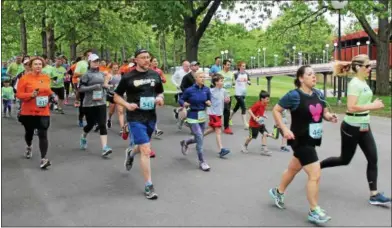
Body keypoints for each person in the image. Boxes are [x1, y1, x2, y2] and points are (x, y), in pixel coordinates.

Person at [268, 65, 338, 224]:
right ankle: (314, 210)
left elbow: (324, 112)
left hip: (312, 138)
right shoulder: (294, 95)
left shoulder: (319, 94)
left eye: (314, 74)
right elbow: (276, 110)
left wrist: (329, 116)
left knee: (293, 169)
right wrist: (284, 128)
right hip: (298, 139)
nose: (314, 76)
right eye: (310, 74)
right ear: (301, 78)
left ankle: (278, 192)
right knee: (315, 174)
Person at [320, 55, 391, 206]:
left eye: (370, 66)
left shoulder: (363, 82)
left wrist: (372, 103)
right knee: (344, 160)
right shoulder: (354, 83)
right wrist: (373, 106)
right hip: (351, 127)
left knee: (373, 159)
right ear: (358, 67)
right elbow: (351, 107)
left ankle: (374, 195)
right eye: (367, 66)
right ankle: (317, 167)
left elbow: (361, 102)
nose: (370, 69)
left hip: (364, 125)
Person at [114, 49, 164, 200]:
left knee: (143, 145)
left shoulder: (155, 75)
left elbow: (160, 92)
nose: (146, 60)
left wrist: (160, 99)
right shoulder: (128, 77)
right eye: (143, 58)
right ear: (136, 60)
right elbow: (115, 96)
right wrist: (127, 105)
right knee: (146, 149)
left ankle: (130, 153)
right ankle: (149, 185)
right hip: (135, 117)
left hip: (150, 116)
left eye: (148, 57)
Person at [16, 56, 56, 169]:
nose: (38, 66)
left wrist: (53, 95)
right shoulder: (24, 78)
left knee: (43, 134)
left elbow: (47, 90)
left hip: (43, 111)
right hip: (28, 111)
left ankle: (43, 159)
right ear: (30, 66)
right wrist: (30, 95)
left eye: (40, 64)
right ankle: (29, 146)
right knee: (29, 133)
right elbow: (19, 95)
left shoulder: (46, 77)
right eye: (35, 64)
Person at [79, 54, 113, 157]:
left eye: (97, 61)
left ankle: (104, 148)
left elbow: (105, 85)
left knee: (102, 124)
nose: (96, 63)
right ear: (89, 62)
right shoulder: (86, 75)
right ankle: (84, 136)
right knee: (90, 124)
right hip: (89, 104)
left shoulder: (102, 74)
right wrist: (95, 86)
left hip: (101, 102)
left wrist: (107, 87)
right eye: (94, 61)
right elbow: (80, 89)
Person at [179, 72, 212, 171]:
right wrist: (183, 103)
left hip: (202, 116)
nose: (203, 79)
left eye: (204, 77)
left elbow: (209, 101)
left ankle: (186, 142)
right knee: (199, 136)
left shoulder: (206, 89)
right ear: (196, 78)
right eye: (200, 77)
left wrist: (209, 103)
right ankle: (202, 161)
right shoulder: (190, 90)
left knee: (200, 137)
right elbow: (180, 99)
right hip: (192, 116)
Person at [203, 74, 230, 157]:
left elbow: (226, 99)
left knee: (212, 129)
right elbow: (205, 99)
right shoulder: (210, 91)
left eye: (223, 80)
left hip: (219, 113)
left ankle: (197, 138)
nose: (222, 82)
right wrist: (206, 102)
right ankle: (221, 149)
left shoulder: (224, 91)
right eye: (221, 81)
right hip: (213, 113)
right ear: (216, 82)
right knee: (218, 131)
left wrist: (227, 100)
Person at [240, 90, 272, 155]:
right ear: (262, 99)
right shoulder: (258, 104)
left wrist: (263, 115)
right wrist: (254, 117)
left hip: (260, 123)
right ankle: (244, 146)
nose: (268, 100)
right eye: (267, 99)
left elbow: (260, 112)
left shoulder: (264, 103)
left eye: (269, 99)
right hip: (253, 125)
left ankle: (264, 150)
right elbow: (249, 110)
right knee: (251, 137)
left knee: (265, 134)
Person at [230, 61, 251, 129]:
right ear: (239, 67)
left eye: (244, 66)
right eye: (242, 66)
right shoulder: (236, 74)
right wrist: (233, 85)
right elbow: (234, 81)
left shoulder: (247, 74)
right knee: (244, 107)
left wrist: (248, 82)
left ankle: (229, 118)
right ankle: (245, 124)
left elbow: (249, 81)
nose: (244, 67)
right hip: (237, 93)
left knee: (237, 107)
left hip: (243, 93)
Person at [218, 59, 235, 134]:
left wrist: (234, 86)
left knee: (227, 111)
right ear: (224, 65)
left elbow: (233, 83)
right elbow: (214, 83)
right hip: (221, 95)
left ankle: (226, 127)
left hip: (229, 95)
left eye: (229, 65)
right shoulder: (219, 73)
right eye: (227, 65)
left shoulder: (231, 74)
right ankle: (217, 125)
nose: (229, 66)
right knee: (220, 110)